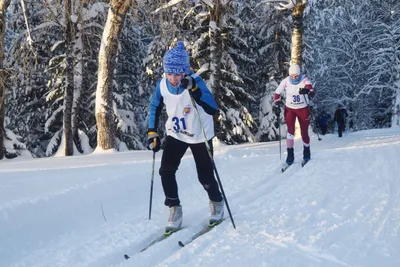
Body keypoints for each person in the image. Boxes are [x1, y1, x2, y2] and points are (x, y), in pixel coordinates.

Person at [147, 41, 224, 233]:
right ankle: (174, 209)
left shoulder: (195, 81)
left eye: (178, 74)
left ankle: (216, 202)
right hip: (176, 133)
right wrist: (152, 132)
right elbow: (154, 107)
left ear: (185, 72)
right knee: (166, 171)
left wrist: (195, 90)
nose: (173, 78)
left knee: (205, 176)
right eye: (169, 73)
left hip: (199, 135)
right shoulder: (163, 85)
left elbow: (212, 107)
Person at [273, 63, 315, 165]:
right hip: (290, 110)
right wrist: (277, 103)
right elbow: (277, 93)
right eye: (292, 76)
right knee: (290, 132)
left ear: (299, 74)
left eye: (296, 76)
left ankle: (306, 153)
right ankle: (290, 156)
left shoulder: (304, 79)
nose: (294, 78)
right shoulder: (286, 81)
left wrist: (308, 91)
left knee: (304, 133)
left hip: (303, 109)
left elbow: (311, 89)